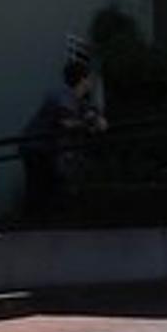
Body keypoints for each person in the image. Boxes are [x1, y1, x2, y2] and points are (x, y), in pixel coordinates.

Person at [22, 57, 106, 218]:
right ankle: (33, 220)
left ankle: (42, 218)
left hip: (47, 147)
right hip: (36, 146)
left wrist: (97, 119)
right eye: (89, 79)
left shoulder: (77, 99)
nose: (91, 83)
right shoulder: (61, 95)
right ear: (82, 79)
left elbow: (89, 113)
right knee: (39, 185)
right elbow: (67, 123)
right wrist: (90, 125)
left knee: (50, 183)